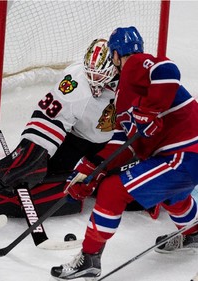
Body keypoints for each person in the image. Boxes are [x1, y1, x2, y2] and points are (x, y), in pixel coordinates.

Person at [50, 26, 198, 280]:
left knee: (112, 190)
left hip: (186, 153)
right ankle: (192, 232)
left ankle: (89, 258)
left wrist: (152, 109)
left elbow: (168, 70)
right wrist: (90, 169)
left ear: (116, 55)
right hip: (178, 156)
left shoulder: (134, 65)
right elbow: (123, 144)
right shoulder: (123, 97)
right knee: (173, 194)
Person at [0, 38, 121, 218]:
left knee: (114, 191)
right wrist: (32, 156)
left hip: (111, 144)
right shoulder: (76, 83)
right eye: (91, 73)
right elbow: (49, 118)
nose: (94, 79)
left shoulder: (126, 79)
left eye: (99, 74)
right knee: (40, 180)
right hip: (76, 140)